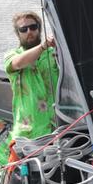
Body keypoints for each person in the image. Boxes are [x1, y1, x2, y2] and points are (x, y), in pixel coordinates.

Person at [4, 11, 59, 143]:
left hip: (56, 127)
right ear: (18, 34)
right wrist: (43, 46)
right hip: (27, 133)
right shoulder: (12, 55)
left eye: (33, 27)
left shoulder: (54, 53)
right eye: (23, 29)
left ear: (39, 29)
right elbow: (17, 63)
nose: (29, 31)